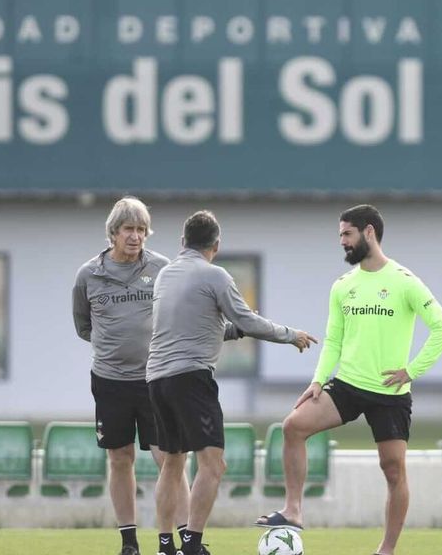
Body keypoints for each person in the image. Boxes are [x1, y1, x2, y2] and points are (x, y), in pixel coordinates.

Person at [256, 204, 442, 555]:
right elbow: (333, 340)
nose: (343, 242)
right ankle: (294, 509)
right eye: (340, 236)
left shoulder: (404, 282)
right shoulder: (342, 286)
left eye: (347, 234)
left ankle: (386, 549)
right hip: (346, 385)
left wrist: (412, 370)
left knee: (393, 471)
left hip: (390, 393)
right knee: (292, 426)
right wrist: (318, 380)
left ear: (369, 233)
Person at [147, 210, 318, 555]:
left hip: (156, 379)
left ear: (183, 242)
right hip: (191, 378)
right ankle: (192, 545)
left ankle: (166, 546)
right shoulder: (215, 276)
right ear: (216, 244)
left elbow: (200, 328)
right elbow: (246, 319)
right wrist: (290, 335)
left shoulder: (166, 275)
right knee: (213, 464)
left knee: (173, 461)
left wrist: (234, 330)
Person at [72, 196, 189, 555]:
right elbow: (83, 325)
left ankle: (186, 537)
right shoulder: (89, 274)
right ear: (113, 233)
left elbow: (181, 314)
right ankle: (129, 542)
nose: (136, 236)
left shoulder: (163, 268)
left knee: (168, 457)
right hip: (109, 381)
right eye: (129, 229)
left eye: (141, 229)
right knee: (119, 457)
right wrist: (114, 345)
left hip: (156, 378)